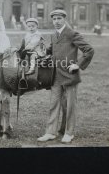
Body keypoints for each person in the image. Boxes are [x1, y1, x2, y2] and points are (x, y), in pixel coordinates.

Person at [37, 9, 94, 143]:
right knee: (54, 104)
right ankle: (51, 132)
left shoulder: (71, 33)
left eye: (59, 19)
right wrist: (44, 51)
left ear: (64, 19)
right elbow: (53, 50)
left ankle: (69, 133)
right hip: (55, 76)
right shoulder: (54, 34)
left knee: (70, 106)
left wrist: (78, 65)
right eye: (54, 19)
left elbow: (89, 50)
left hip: (70, 76)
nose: (56, 22)